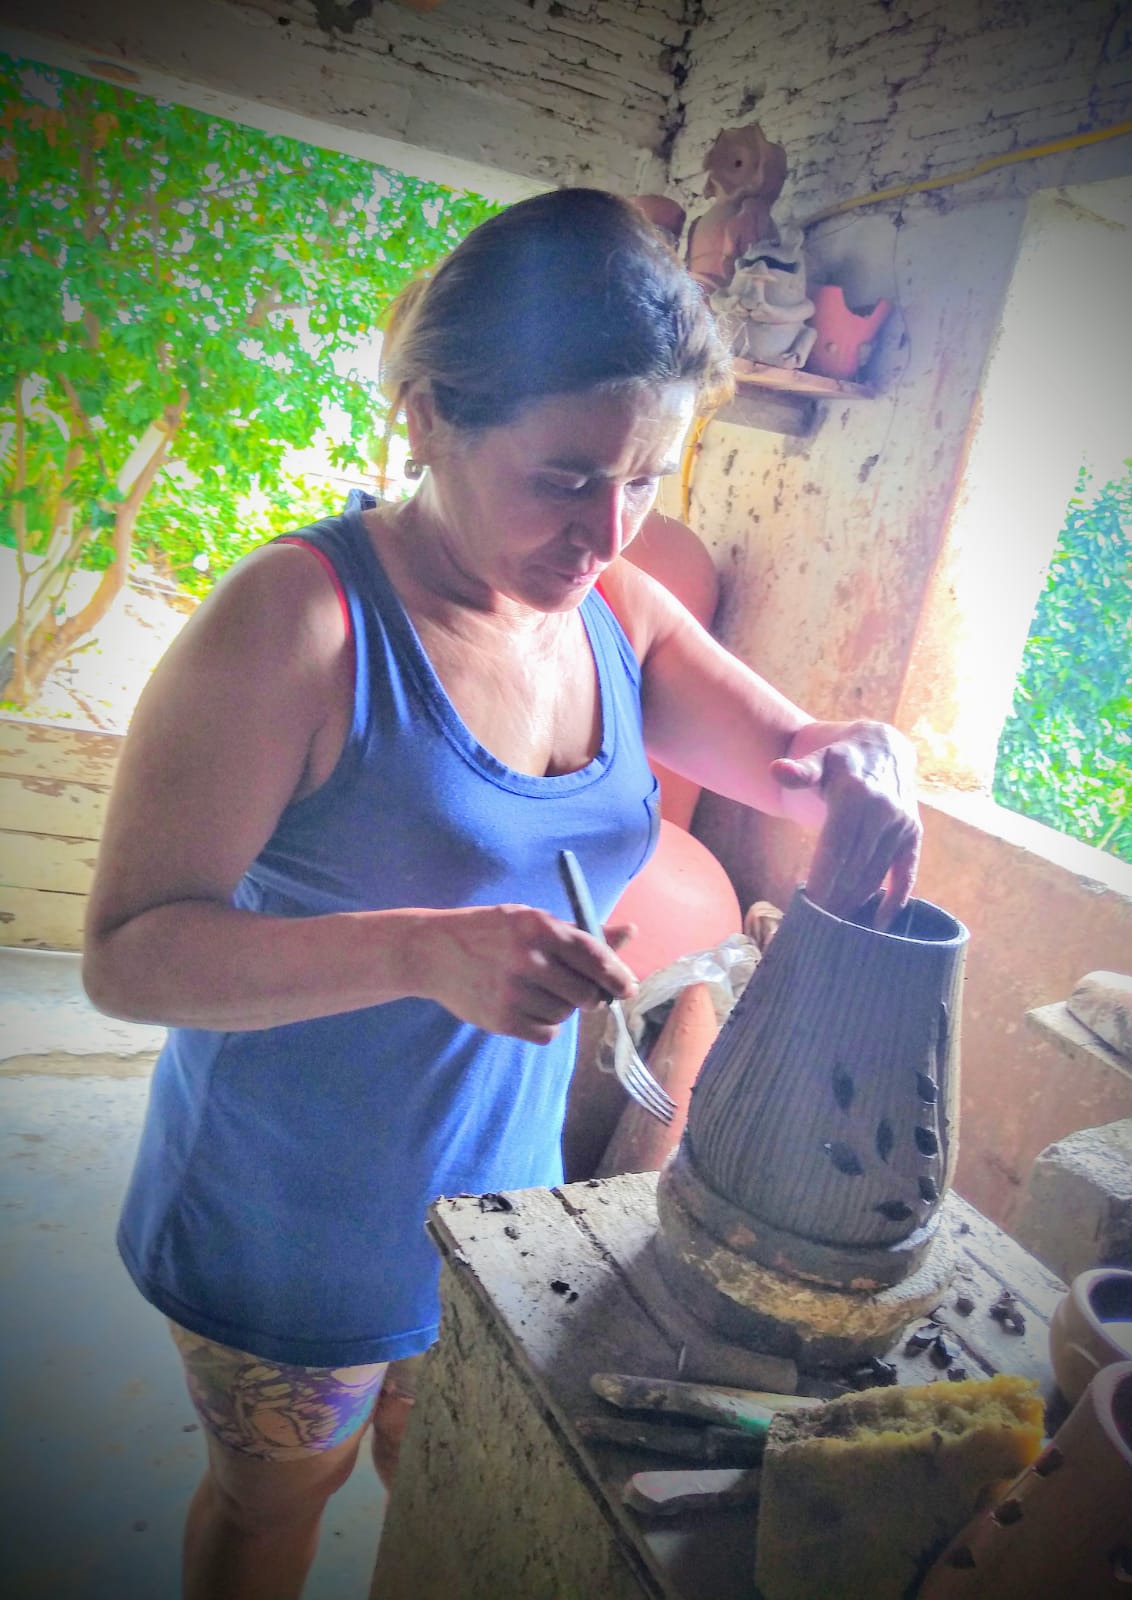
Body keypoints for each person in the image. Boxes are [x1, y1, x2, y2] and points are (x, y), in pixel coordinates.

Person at [83, 187, 921, 1600]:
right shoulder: (300, 622)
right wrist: (423, 949)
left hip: (497, 1202)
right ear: (429, 418)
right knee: (278, 1502)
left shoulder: (614, 614)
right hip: (292, 1211)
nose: (606, 531)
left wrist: (862, 762)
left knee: (455, 1479)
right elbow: (126, 956)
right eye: (565, 476)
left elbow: (793, 758)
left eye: (646, 479)